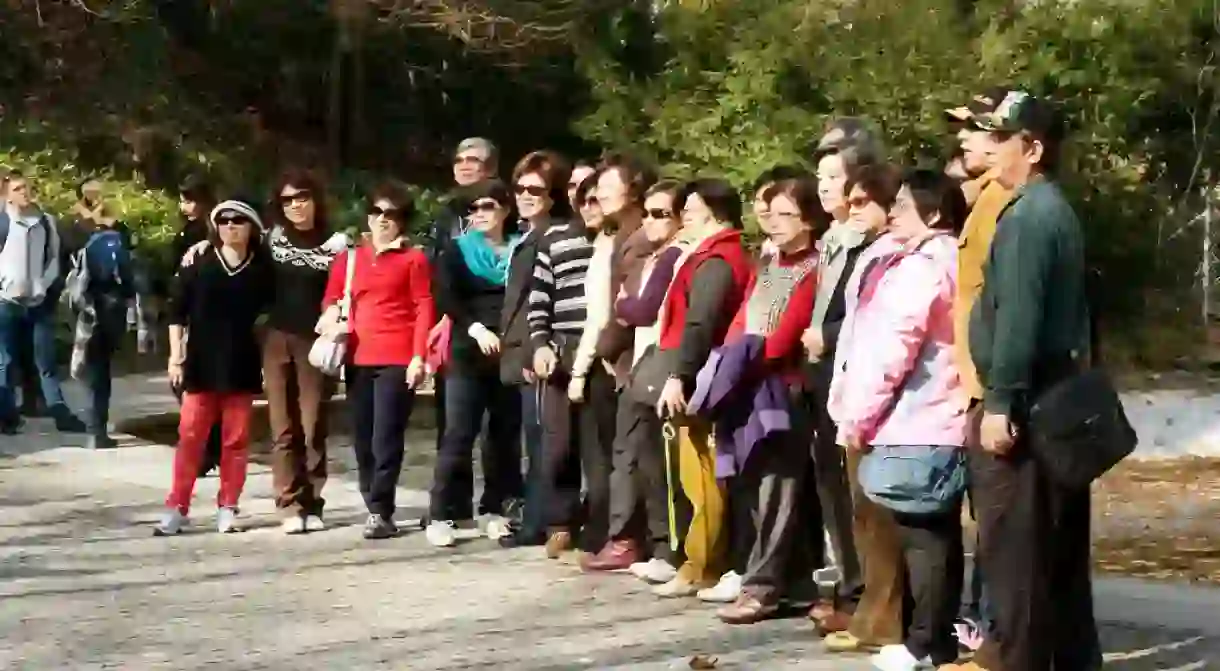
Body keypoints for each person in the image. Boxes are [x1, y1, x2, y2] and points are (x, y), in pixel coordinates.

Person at [944, 92, 1100, 671]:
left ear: (1031, 148)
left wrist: (1001, 403)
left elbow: (1018, 319)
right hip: (1046, 397)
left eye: (1001, 135)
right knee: (1050, 552)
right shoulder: (1041, 207)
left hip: (1026, 405)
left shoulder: (1031, 216)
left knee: (1018, 556)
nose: (991, 145)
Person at [828, 169, 968, 670]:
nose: (893, 214)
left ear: (933, 213)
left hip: (916, 417)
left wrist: (856, 416)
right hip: (937, 415)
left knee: (922, 536)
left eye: (904, 206)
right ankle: (935, 640)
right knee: (934, 534)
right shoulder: (947, 259)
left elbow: (890, 351)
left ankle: (923, 643)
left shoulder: (920, 268)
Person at [715, 176, 828, 623]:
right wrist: (728, 360)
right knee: (757, 483)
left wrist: (746, 356)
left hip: (785, 386)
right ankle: (796, 583)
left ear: (808, 219)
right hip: (749, 380)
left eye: (787, 214)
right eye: (771, 213)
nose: (775, 223)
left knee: (776, 488)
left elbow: (785, 335)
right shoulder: (767, 262)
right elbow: (743, 316)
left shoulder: (815, 266)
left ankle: (761, 585)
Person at [821, 164, 910, 655]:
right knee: (862, 516)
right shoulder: (870, 253)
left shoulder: (904, 255)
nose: (852, 211)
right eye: (849, 202)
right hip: (854, 395)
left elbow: (889, 338)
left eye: (862, 203)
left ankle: (889, 619)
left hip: (886, 406)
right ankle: (871, 614)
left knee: (883, 517)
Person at [802, 120, 887, 635]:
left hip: (851, 375)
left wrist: (827, 335)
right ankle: (850, 587)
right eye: (819, 175)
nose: (823, 186)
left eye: (833, 175)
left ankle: (868, 597)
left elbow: (868, 311)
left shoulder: (870, 242)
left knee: (862, 497)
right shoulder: (830, 239)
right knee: (832, 489)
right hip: (819, 379)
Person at [650, 178, 751, 598]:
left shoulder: (717, 260)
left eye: (690, 209)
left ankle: (701, 564)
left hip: (703, 376)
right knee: (698, 475)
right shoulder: (710, 255)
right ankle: (701, 561)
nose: (683, 217)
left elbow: (700, 322)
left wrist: (679, 374)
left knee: (702, 477)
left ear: (713, 212)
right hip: (701, 371)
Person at [587, 180, 689, 580]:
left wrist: (624, 305)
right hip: (644, 362)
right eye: (647, 213)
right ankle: (659, 545)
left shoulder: (672, 255)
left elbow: (641, 308)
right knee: (642, 458)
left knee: (657, 460)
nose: (650, 221)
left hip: (659, 364)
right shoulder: (655, 255)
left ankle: (668, 549)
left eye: (661, 213)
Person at [321, 182, 433, 540]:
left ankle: (382, 509)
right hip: (357, 356)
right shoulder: (349, 258)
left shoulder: (413, 259)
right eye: (377, 212)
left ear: (403, 221)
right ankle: (373, 502)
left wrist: (419, 356)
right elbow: (331, 298)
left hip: (397, 358)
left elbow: (423, 307)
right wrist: (332, 314)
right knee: (363, 436)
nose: (383, 220)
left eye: (392, 214)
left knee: (387, 435)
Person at [155, 200, 274, 536]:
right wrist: (175, 356)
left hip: (242, 363)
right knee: (190, 436)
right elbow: (176, 311)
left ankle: (228, 505)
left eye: (238, 220)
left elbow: (272, 318)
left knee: (235, 440)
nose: (231, 226)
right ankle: (177, 505)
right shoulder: (199, 263)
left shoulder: (262, 271)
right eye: (224, 221)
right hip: (200, 364)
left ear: (251, 227)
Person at [944, 87, 1012, 652]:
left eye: (975, 127)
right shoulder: (982, 197)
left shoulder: (1003, 204)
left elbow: (1002, 303)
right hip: (975, 384)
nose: (963, 137)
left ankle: (993, 644)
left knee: (998, 525)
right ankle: (984, 636)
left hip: (992, 388)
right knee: (986, 521)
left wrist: (997, 395)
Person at [428, 178, 524, 547]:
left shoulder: (521, 248)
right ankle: (440, 513)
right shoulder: (456, 251)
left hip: (509, 352)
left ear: (505, 208)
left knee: (503, 437)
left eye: (487, 206)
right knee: (458, 433)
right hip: (468, 351)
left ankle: (494, 509)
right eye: (473, 209)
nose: (480, 214)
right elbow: (446, 297)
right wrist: (476, 329)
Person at [262, 169, 349, 534]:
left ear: (315, 199)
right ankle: (289, 503)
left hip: (316, 343)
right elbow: (230, 245)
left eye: (302, 197)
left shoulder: (338, 244)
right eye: (287, 200)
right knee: (283, 427)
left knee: (313, 425)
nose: (295, 205)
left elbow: (347, 291)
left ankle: (313, 500)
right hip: (276, 338)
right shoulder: (272, 239)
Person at [524, 150, 601, 560]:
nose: (583, 197)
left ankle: (599, 522)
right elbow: (539, 298)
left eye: (592, 191)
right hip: (561, 350)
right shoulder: (554, 238)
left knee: (596, 445)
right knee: (557, 445)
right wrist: (538, 344)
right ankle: (560, 522)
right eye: (575, 188)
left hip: (600, 352)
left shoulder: (611, 240)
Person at [497, 151, 568, 549]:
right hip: (521, 352)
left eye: (534, 189)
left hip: (538, 354)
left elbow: (544, 302)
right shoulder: (526, 235)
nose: (524, 194)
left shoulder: (551, 238)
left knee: (543, 441)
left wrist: (532, 350)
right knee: (533, 438)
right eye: (519, 187)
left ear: (553, 195)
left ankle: (539, 522)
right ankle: (536, 515)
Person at [424, 137, 498, 514]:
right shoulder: (445, 214)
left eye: (474, 160)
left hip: (491, 329)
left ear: (491, 169)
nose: (465, 165)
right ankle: (452, 504)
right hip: (451, 326)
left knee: (493, 426)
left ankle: (496, 503)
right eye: (459, 159)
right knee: (453, 422)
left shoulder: (503, 213)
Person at [0, 171, 87, 435]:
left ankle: (59, 411)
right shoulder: (3, 223)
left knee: (45, 362)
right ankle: (6, 416)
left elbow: (53, 260)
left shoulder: (46, 223)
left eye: (26, 187)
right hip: (7, 303)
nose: (24, 192)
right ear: (7, 195)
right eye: (17, 189)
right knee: (5, 361)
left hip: (38, 303)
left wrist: (43, 285)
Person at [66, 178, 144, 450]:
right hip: (106, 309)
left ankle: (95, 429)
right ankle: (96, 430)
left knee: (95, 368)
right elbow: (130, 277)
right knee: (100, 370)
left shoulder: (87, 233)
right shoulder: (107, 238)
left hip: (90, 309)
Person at [172, 175, 223, 476]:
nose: (185, 206)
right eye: (182, 200)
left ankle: (208, 449)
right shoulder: (188, 231)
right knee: (190, 385)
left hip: (205, 315)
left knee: (197, 385)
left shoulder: (211, 230)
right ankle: (208, 448)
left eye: (190, 200)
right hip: (187, 309)